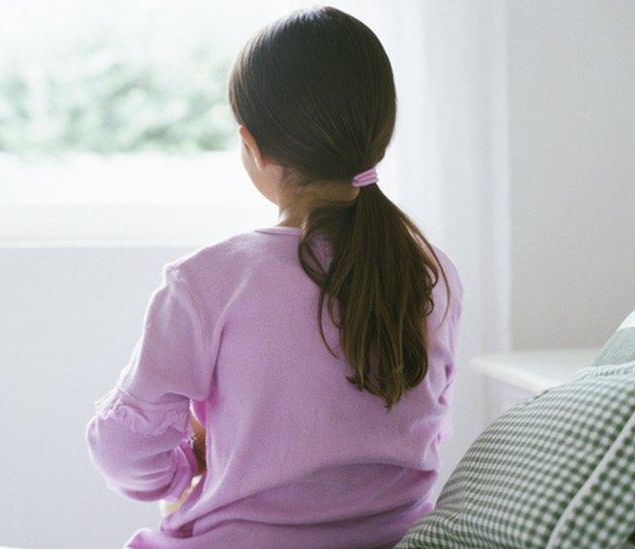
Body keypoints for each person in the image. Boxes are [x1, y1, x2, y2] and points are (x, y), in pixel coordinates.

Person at [85, 6, 463, 548]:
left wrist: (183, 464)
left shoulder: (210, 281)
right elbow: (422, 425)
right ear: (377, 135)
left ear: (253, 145)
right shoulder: (433, 274)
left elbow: (123, 452)